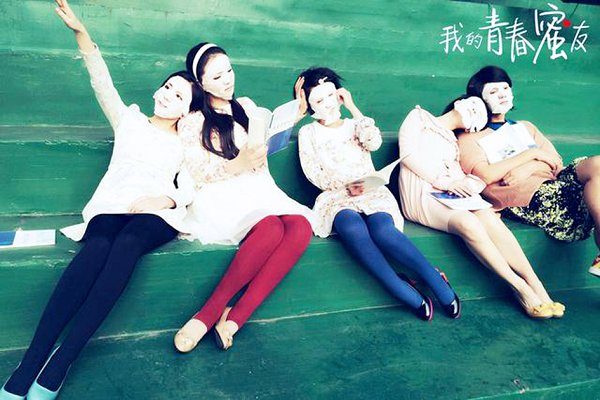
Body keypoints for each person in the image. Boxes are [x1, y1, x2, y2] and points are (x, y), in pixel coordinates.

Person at [0, 1, 202, 399]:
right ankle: (31, 361)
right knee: (97, 247)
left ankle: (62, 360)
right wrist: (81, 32)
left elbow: (191, 187)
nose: (167, 95)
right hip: (111, 207)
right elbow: (101, 81)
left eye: (178, 96)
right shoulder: (129, 119)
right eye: (167, 87)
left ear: (187, 110)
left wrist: (165, 198)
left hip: (155, 216)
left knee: (127, 243)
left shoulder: (184, 143)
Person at [173, 42, 313, 353]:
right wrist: (240, 162)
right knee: (271, 227)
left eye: (229, 70)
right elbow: (197, 170)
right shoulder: (193, 119)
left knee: (301, 226)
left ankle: (235, 318)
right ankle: (207, 314)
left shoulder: (247, 107)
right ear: (201, 84)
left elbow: (262, 147)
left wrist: (292, 118)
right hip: (220, 191)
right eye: (217, 76)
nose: (227, 80)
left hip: (256, 186)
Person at [294, 67, 460, 321]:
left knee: (383, 230)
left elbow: (373, 142)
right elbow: (312, 171)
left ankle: (435, 279)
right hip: (336, 196)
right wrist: (345, 185)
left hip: (371, 190)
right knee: (352, 226)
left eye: (330, 95)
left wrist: (353, 107)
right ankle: (399, 288)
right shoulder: (309, 133)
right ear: (309, 105)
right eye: (318, 100)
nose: (327, 103)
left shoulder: (355, 125)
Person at [398, 95, 562, 319]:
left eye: (481, 114)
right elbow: (407, 154)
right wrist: (446, 183)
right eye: (474, 103)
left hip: (448, 194)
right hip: (420, 194)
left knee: (487, 216)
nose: (476, 110)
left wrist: (470, 188)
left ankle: (535, 283)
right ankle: (519, 287)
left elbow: (459, 175)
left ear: (473, 127)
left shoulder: (455, 142)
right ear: (459, 103)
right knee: (468, 222)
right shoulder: (419, 117)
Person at [459, 66, 600, 276]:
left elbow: (555, 162)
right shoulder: (470, 137)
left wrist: (530, 165)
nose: (502, 95)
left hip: (555, 181)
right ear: (479, 98)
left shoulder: (525, 127)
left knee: (597, 164)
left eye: (505, 88)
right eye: (493, 91)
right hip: (527, 196)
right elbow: (486, 175)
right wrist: (533, 155)